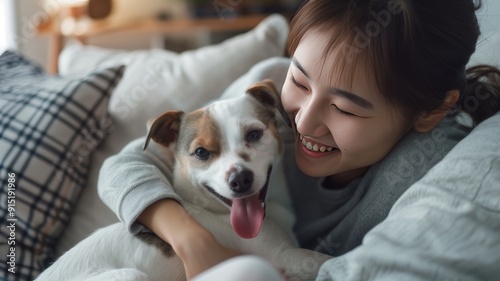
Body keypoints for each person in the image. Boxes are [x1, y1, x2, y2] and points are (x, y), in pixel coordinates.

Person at [98, 0, 500, 280]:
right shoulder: (265, 98)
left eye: (345, 108)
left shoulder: (423, 173)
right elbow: (124, 164)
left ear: (429, 112)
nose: (303, 121)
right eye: (300, 81)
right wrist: (192, 241)